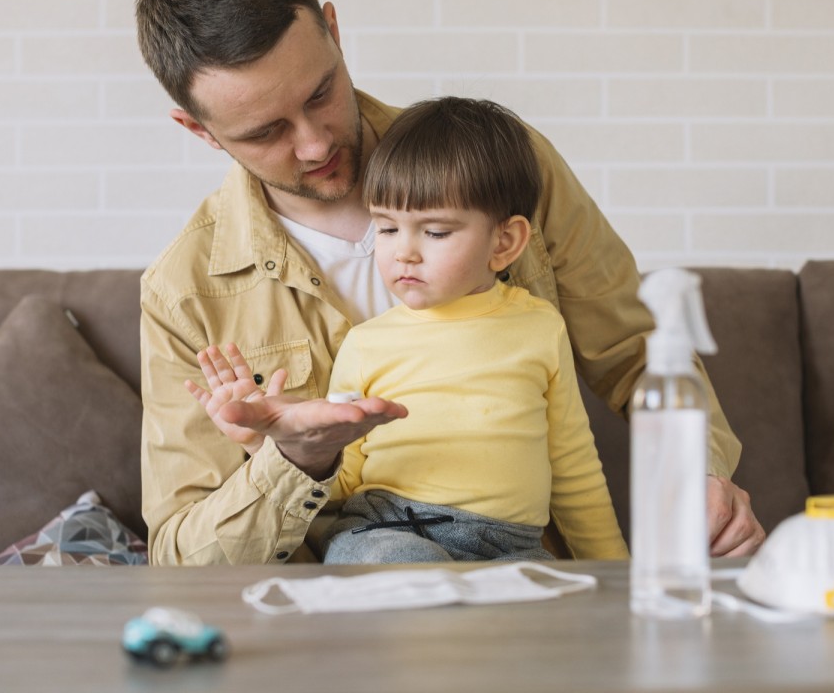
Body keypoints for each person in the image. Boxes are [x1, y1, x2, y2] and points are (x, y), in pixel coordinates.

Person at [135, 0, 764, 566]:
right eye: (267, 131)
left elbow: (636, 349)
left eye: (320, 93)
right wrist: (290, 457)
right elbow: (180, 560)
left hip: (524, 573)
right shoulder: (184, 293)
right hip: (345, 612)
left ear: (334, 31)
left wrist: (701, 477)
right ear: (200, 131)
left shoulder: (498, 164)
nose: (315, 145)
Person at [213, 96, 627, 564]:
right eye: (387, 229)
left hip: (509, 547)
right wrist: (266, 442)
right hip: (385, 527)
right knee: (397, 565)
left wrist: (616, 573)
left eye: (434, 233)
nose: (403, 253)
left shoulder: (540, 329)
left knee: (549, 602)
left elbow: (573, 466)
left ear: (504, 241)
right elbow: (344, 482)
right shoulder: (367, 343)